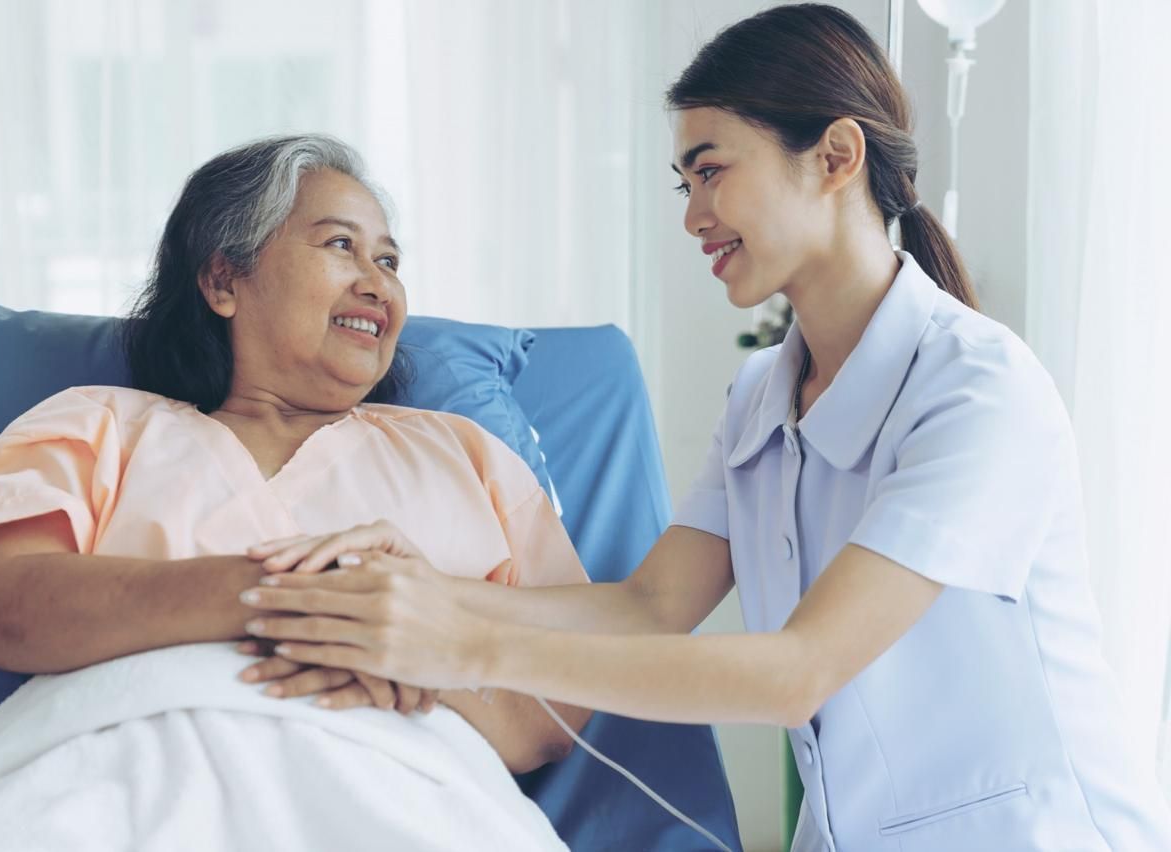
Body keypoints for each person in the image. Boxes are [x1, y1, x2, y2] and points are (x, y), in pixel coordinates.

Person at [229, 7, 1171, 851]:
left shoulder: (978, 390)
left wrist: (460, 647)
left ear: (836, 157)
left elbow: (798, 672)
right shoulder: (764, 391)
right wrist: (427, 592)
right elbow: (647, 608)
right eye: (683, 182)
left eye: (711, 171)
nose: (693, 216)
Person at [0, 134, 588, 851]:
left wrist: (414, 652)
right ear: (224, 281)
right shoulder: (98, 426)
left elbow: (556, 713)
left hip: (400, 798)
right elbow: (2, 608)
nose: (378, 283)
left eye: (388, 260)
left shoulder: (464, 455)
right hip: (113, 779)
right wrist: (302, 599)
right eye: (340, 246)